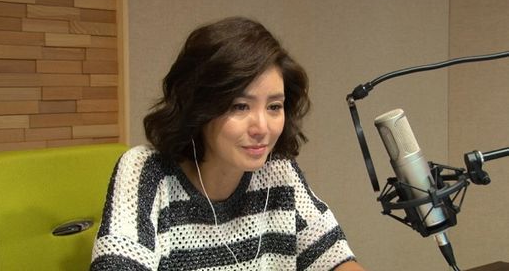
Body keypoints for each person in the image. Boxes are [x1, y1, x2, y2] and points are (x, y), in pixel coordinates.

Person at [90, 17, 366, 270]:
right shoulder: (146, 173)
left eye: (274, 106)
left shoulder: (279, 172)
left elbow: (335, 259)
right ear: (200, 107)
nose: (262, 128)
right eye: (240, 106)